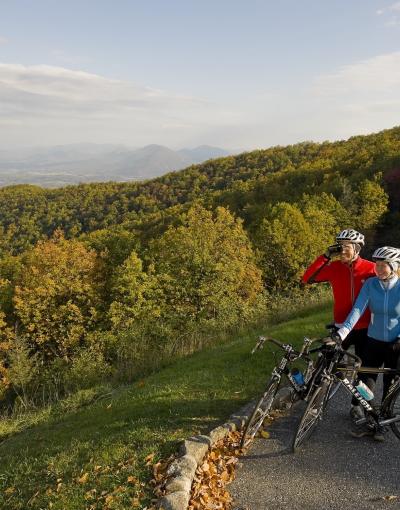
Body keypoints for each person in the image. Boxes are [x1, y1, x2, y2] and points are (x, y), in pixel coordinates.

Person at [302, 229, 376, 420]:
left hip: (366, 328)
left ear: (357, 248)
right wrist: (325, 256)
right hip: (341, 327)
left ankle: (357, 406)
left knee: (364, 369)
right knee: (325, 362)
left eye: (347, 247)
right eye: (339, 246)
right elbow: (307, 278)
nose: (342, 250)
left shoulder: (371, 268)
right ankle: (312, 400)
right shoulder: (334, 267)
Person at [336, 246, 400, 441]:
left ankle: (383, 424)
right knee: (364, 384)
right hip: (373, 341)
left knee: (390, 386)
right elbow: (357, 310)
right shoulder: (371, 284)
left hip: (395, 345)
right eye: (377, 265)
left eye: (383, 266)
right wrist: (341, 334)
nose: (378, 269)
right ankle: (372, 420)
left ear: (394, 266)